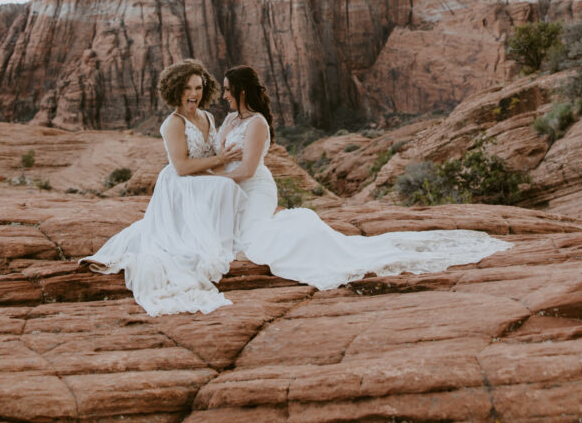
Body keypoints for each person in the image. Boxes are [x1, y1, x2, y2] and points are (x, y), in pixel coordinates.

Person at [214, 66, 513, 289]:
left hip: (253, 188)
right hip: (233, 188)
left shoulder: (257, 124)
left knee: (255, 240)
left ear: (241, 90)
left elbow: (248, 169)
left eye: (227, 89)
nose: (223, 94)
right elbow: (220, 154)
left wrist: (214, 181)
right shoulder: (229, 120)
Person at [79, 59, 247, 316]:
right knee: (221, 191)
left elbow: (217, 162)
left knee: (230, 189)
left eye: (199, 88)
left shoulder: (208, 117)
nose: (194, 94)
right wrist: (221, 162)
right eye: (188, 88)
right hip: (179, 185)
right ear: (176, 90)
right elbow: (181, 166)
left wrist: (230, 176)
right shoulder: (174, 123)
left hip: (201, 178)